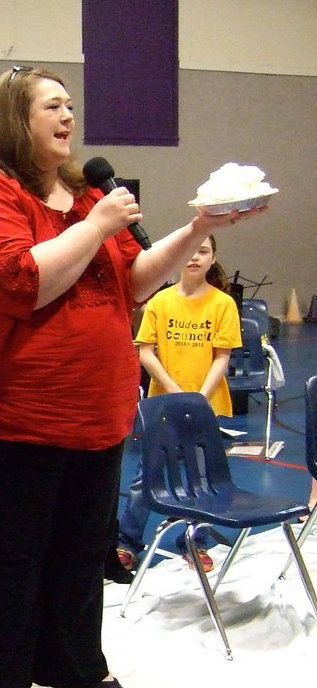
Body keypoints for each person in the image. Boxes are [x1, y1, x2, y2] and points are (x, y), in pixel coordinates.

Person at [0, 65, 268, 688]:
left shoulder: (84, 191)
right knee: (3, 554)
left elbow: (133, 283)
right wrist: (96, 222)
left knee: (79, 549)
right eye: (51, 106)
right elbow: (21, 286)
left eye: (70, 105)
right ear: (16, 119)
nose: (68, 116)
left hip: (90, 412)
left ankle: (76, 664)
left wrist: (195, 230)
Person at [116, 233, 241, 574]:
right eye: (189, 250)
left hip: (206, 406)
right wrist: (175, 392)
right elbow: (145, 352)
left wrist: (198, 397)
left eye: (203, 251)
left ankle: (194, 541)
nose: (195, 257)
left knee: (200, 479)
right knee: (147, 479)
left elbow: (222, 357)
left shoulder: (222, 304)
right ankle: (127, 542)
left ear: (213, 258)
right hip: (163, 408)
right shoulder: (159, 302)